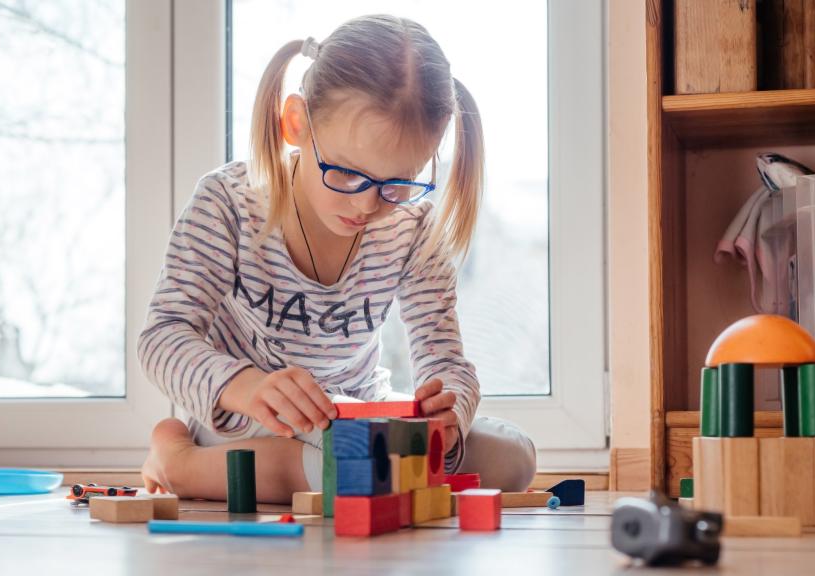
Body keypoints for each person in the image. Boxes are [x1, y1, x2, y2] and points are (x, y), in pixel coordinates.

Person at [137, 14, 535, 504]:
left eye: (398, 184)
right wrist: (247, 386)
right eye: (346, 174)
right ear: (297, 124)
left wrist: (451, 413)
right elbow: (162, 339)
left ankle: (357, 474)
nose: (367, 205)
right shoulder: (228, 202)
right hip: (250, 428)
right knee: (339, 464)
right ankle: (178, 461)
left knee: (513, 457)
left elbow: (445, 360)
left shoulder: (413, 228)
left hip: (355, 421)